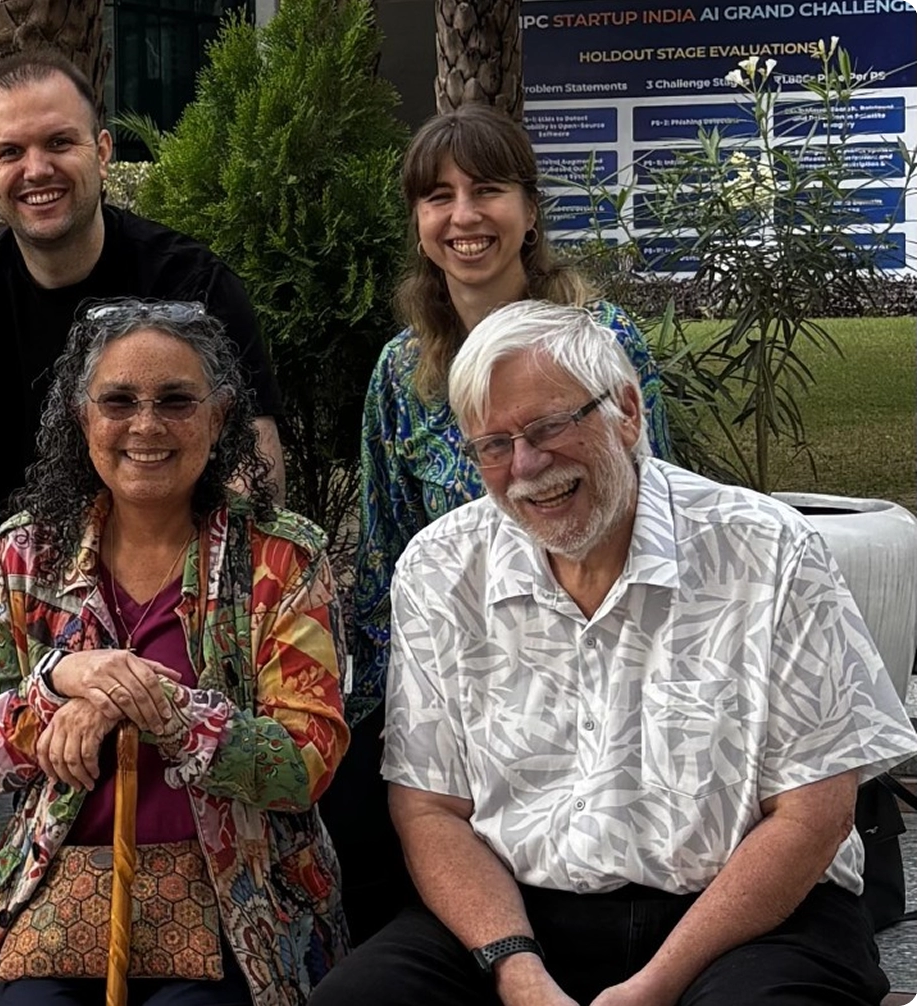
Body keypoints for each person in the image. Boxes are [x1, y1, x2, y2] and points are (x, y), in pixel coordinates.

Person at [310, 300, 917, 1006]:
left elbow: (815, 812)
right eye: (494, 445)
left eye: (547, 427)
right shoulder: (442, 568)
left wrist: (655, 987)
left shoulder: (768, 551)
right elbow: (430, 808)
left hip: (750, 915)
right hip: (514, 915)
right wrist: (518, 971)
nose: (527, 466)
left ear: (627, 412)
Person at [328, 104, 675, 939]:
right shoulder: (401, 373)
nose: (464, 216)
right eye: (438, 197)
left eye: (488, 190)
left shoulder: (599, 340)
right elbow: (384, 555)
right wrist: (372, 721)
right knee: (354, 831)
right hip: (457, 678)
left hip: (594, 666)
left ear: (528, 209)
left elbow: (656, 513)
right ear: (418, 221)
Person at [0, 300, 348, 1006]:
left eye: (175, 401)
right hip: (60, 896)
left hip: (243, 905)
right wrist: (63, 678)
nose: (146, 425)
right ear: (83, 417)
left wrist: (151, 704)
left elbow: (305, 762)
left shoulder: (282, 557)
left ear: (220, 416)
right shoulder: (27, 554)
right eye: (119, 401)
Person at [0, 52, 286, 534]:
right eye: (10, 152)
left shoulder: (193, 286)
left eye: (59, 142)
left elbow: (253, 463)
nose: (36, 170)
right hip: (21, 580)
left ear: (101, 152)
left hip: (184, 570)